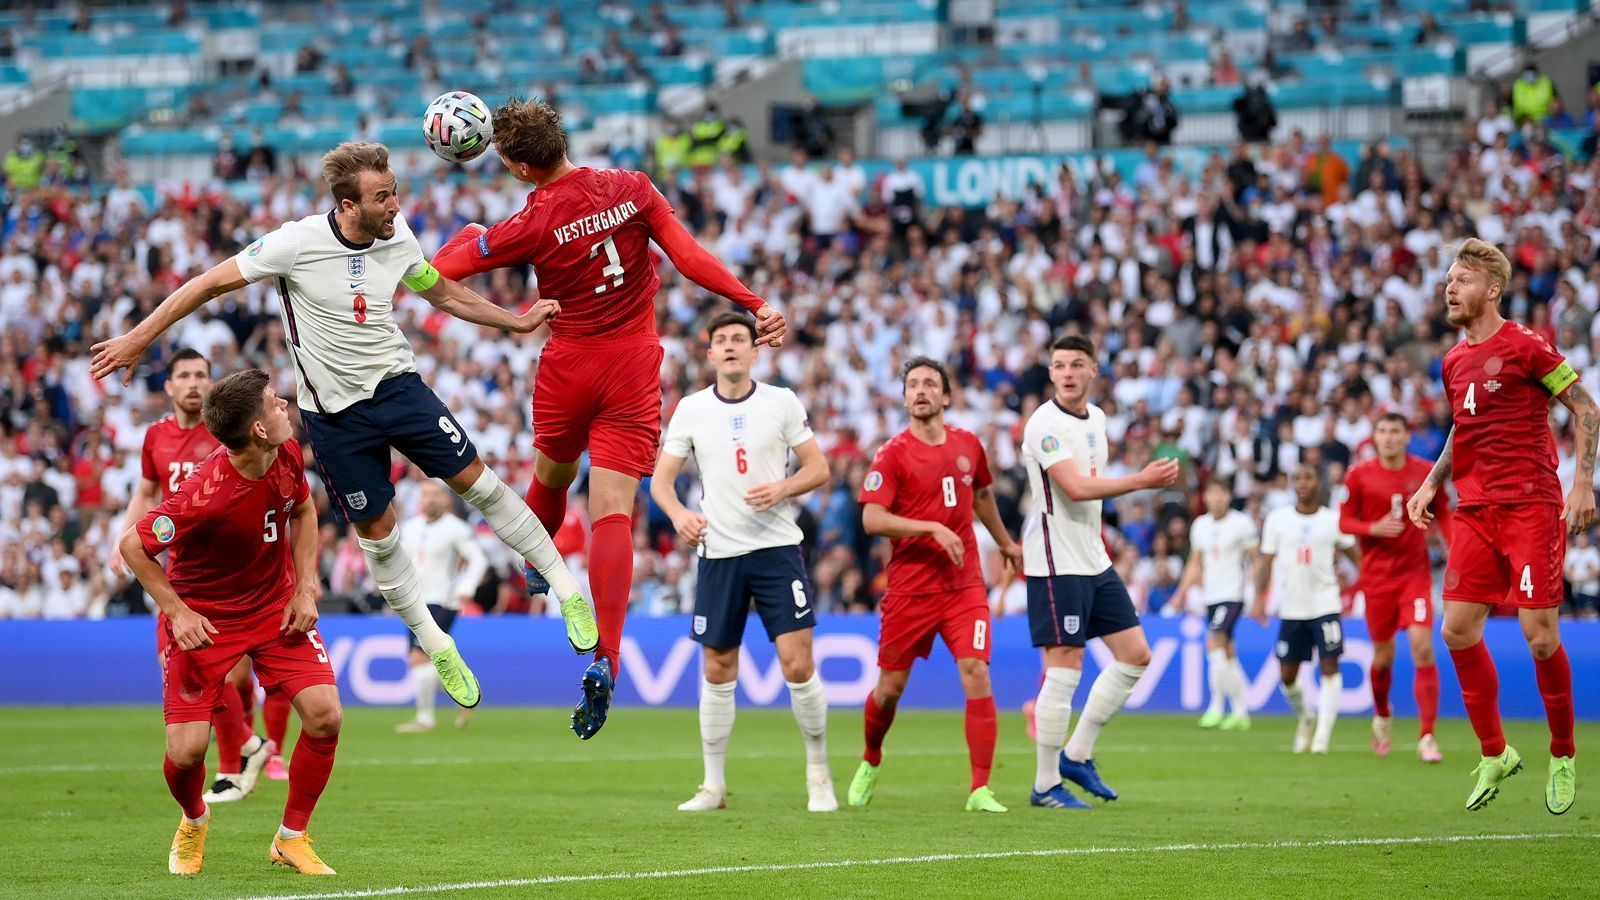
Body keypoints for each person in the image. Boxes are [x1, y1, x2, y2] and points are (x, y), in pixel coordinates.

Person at [90, 141, 597, 716]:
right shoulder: (295, 243)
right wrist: (138, 338)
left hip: (398, 386)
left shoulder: (398, 236)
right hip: (334, 416)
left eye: (395, 192)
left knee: (476, 482)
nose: (396, 205)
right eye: (383, 197)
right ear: (348, 205)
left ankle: (566, 587)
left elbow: (443, 290)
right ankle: (436, 644)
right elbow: (206, 284)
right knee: (378, 535)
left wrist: (516, 321)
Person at [430, 99, 787, 740]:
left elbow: (441, 270)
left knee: (552, 473)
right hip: (631, 364)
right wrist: (751, 301)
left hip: (569, 365)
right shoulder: (631, 187)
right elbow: (688, 255)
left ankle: (538, 565)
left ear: (513, 164)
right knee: (613, 512)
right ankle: (608, 657)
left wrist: (472, 234)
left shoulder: (529, 221)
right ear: (562, 138)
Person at [118, 370, 340, 876]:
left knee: (326, 715)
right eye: (273, 402)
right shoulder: (204, 493)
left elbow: (303, 513)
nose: (283, 404)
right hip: (208, 619)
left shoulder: (284, 452)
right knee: (188, 750)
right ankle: (194, 819)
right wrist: (177, 611)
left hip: (275, 606)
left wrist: (305, 587)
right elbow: (133, 545)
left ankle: (292, 837)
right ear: (258, 429)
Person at [1406, 238, 1593, 814]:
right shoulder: (1453, 361)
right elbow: (1465, 429)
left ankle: (1562, 754)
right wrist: (1434, 481)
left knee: (1540, 635)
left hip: (1532, 504)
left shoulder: (1526, 346)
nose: (1449, 288)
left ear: (1492, 290)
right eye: (1447, 281)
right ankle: (1496, 752)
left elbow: (1586, 409)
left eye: (1460, 280)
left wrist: (1583, 482)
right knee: (1457, 630)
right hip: (1476, 510)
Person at [651, 312, 835, 812]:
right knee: (717, 667)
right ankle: (713, 785)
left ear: (757, 351)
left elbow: (819, 467)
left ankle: (818, 774)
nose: (730, 347)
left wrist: (783, 486)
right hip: (719, 552)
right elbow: (661, 482)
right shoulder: (691, 409)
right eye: (721, 341)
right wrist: (679, 515)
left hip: (777, 550)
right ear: (709, 354)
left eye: (739, 340)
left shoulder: (781, 402)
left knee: (798, 664)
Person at [846, 357, 1023, 814]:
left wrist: (1006, 542)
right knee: (889, 689)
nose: (920, 390)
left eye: (930, 384)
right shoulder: (892, 453)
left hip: (963, 586)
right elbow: (872, 519)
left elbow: (982, 494)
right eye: (912, 384)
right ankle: (871, 757)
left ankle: (980, 788)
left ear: (946, 396)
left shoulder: (968, 444)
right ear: (905, 398)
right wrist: (931, 529)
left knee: (976, 671)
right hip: (910, 589)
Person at [1020, 335, 1180, 810]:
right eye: (1058, 365)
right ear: (1051, 373)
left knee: (1135, 655)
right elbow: (1072, 487)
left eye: (1076, 365)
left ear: (1093, 371)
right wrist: (1142, 481)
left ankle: (1077, 754)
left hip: (1092, 557)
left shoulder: (1099, 420)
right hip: (1055, 560)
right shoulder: (1043, 425)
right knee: (1065, 670)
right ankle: (1046, 784)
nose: (1067, 373)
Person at [109, 349, 272, 802]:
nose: (194, 383)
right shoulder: (155, 437)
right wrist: (123, 538)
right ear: (169, 386)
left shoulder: (224, 434)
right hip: (175, 573)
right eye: (184, 375)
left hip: (224, 573)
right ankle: (244, 750)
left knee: (231, 674)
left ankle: (240, 752)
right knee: (181, 666)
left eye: (202, 374)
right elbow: (145, 492)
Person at [1339, 413, 1452, 763]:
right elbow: (1343, 521)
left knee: (1422, 649)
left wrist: (1452, 546)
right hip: (1376, 579)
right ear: (1374, 436)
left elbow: (1445, 512)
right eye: (1382, 430)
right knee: (1383, 658)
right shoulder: (1359, 475)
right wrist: (1372, 528)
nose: (1388, 437)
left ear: (1407, 436)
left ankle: (1427, 736)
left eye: (1395, 431)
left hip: (1414, 576)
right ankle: (1382, 714)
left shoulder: (1424, 471)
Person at [1253, 464, 1358, 756]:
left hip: (1326, 604)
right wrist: (1259, 596)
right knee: (1287, 675)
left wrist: (1373, 583)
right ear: (1291, 484)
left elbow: (1357, 554)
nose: (1302, 483)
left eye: (1308, 477)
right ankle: (1306, 716)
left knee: (1329, 666)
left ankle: (1322, 737)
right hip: (1292, 608)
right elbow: (1265, 561)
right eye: (1297, 478)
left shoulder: (1333, 520)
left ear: (1318, 482)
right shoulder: (1277, 520)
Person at [394, 481, 487, 733]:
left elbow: (478, 559)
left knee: (418, 658)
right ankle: (464, 689)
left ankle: (425, 719)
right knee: (428, 661)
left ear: (445, 500)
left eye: (435, 494)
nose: (430, 499)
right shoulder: (410, 528)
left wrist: (467, 587)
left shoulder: (456, 529)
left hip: (443, 600)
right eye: (426, 494)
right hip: (414, 602)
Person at [1172, 475, 1258, 732]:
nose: (1216, 498)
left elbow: (1257, 559)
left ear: (1229, 496)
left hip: (1233, 594)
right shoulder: (1200, 525)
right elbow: (1195, 563)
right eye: (1212, 493)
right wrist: (1180, 594)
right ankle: (1241, 712)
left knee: (1215, 641)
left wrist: (1261, 593)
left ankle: (1216, 706)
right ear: (1205, 497)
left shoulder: (1241, 524)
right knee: (1226, 651)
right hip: (1211, 595)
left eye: (1221, 493)